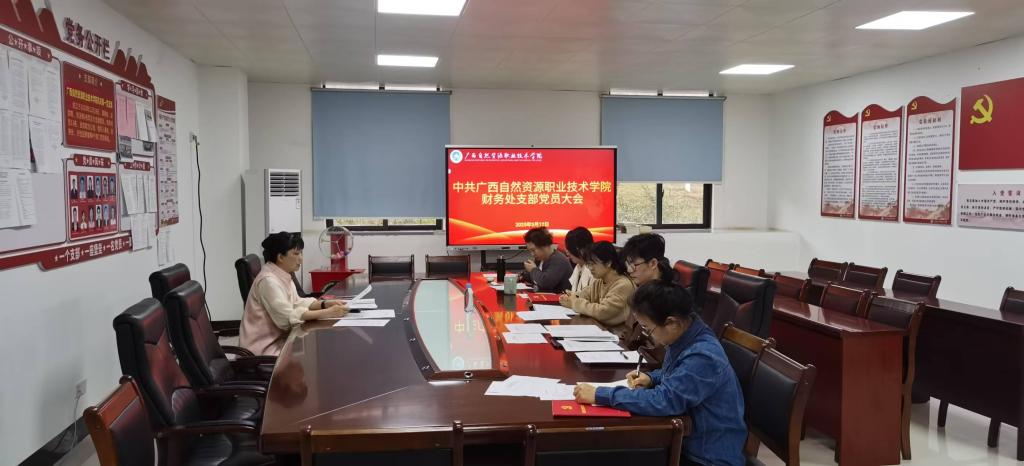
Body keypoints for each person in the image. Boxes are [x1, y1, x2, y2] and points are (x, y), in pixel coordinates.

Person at [574, 281, 747, 466]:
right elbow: (678, 373)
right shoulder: (686, 331)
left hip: (706, 457)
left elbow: (665, 400)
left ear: (671, 323)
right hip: (684, 439)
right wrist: (651, 378)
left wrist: (601, 394)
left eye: (648, 329)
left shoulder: (703, 355)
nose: (648, 335)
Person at [240, 232, 350, 356]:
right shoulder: (268, 281)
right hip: (263, 350)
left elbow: (296, 302)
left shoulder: (282, 273)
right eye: (296, 254)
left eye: (301, 253)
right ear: (280, 257)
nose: (301, 258)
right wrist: (328, 313)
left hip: (280, 341)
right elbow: (287, 318)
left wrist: (325, 304)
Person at [559, 241, 635, 326]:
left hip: (617, 332)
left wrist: (574, 303)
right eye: (588, 264)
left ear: (608, 263)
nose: (590, 268)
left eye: (593, 264)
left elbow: (602, 312)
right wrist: (570, 297)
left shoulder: (623, 285)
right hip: (600, 328)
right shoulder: (599, 280)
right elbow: (584, 295)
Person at [520, 227, 572, 293]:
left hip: (558, 298)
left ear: (544, 246)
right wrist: (522, 277)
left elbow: (545, 283)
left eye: (533, 250)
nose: (532, 254)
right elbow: (536, 278)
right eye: (530, 251)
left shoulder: (559, 260)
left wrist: (533, 269)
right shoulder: (540, 259)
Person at [564, 227, 594, 295]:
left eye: (570, 248)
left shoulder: (594, 270)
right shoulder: (578, 266)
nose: (567, 253)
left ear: (582, 249)